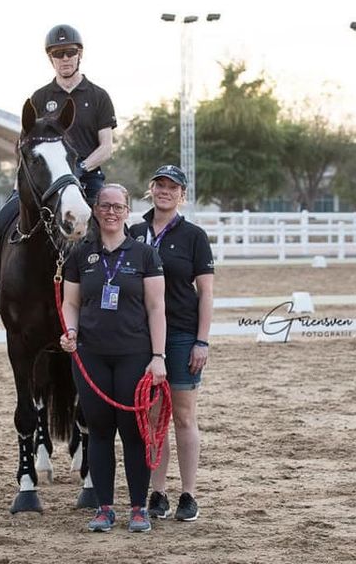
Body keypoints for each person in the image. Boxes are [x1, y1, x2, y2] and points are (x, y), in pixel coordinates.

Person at [0, 23, 117, 324]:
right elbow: (25, 143)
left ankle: (118, 289)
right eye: (58, 54)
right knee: (2, 217)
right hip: (45, 182)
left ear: (79, 55)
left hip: (85, 176)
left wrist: (78, 168)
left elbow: (106, 146)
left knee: (113, 221)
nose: (64, 58)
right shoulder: (40, 98)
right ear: (50, 58)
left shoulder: (98, 96)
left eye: (69, 52)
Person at [58, 183, 167, 533]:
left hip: (135, 354)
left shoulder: (145, 255)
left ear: (127, 212)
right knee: (100, 431)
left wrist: (158, 356)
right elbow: (70, 303)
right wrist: (70, 331)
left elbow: (156, 308)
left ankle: (138, 508)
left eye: (118, 207)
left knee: (133, 432)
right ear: (95, 210)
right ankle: (104, 507)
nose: (111, 212)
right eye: (105, 205)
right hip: (90, 356)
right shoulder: (80, 255)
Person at [128, 165, 215, 523]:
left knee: (183, 415)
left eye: (172, 187)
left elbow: (206, 292)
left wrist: (201, 341)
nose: (165, 191)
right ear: (151, 190)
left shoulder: (194, 236)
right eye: (159, 185)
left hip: (181, 335)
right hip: (141, 337)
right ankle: (158, 492)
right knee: (153, 417)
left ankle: (189, 494)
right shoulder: (134, 233)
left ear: (182, 195)